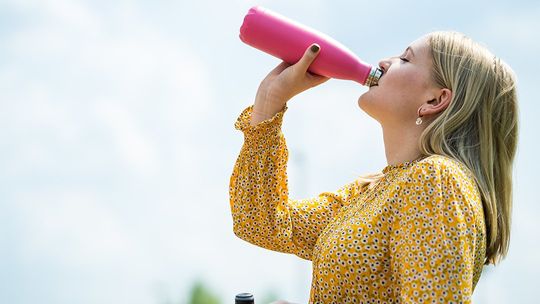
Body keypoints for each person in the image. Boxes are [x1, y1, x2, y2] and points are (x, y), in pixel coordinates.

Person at [229, 31, 518, 303]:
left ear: (435, 100)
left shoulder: (437, 182)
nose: (384, 62)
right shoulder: (374, 190)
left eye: (405, 59)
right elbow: (261, 223)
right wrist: (269, 102)